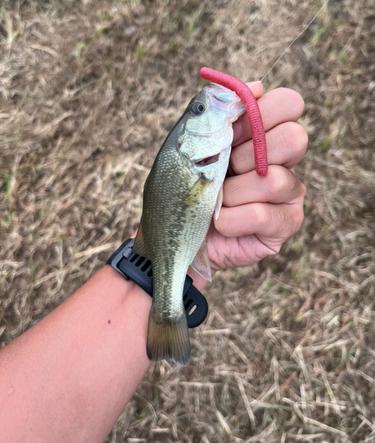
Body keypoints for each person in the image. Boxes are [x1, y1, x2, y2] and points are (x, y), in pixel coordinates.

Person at [0, 82, 307, 443]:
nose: (204, 107)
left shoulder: (201, 155)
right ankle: (166, 311)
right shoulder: (193, 160)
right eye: (199, 111)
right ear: (188, 140)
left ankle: (166, 304)